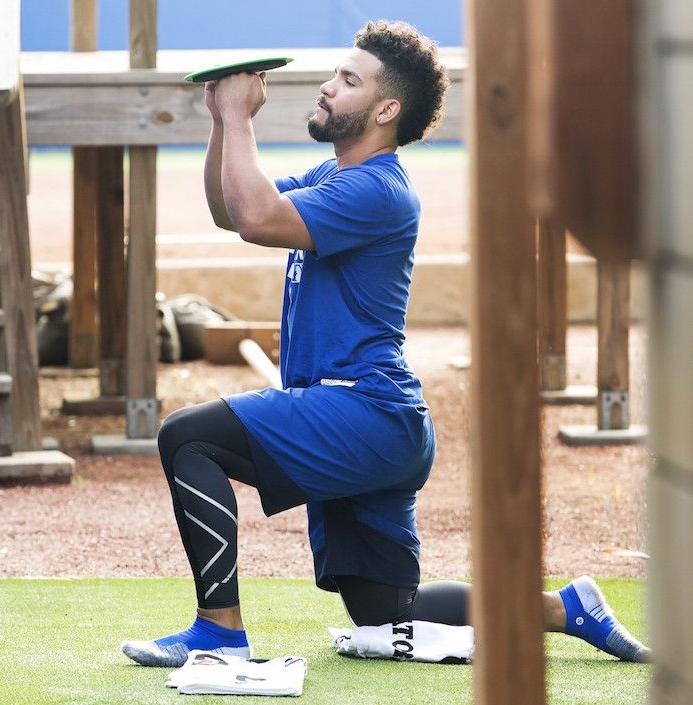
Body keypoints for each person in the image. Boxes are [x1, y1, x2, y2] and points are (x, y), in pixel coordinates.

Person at [121, 20, 650, 667]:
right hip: (380, 423)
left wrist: (240, 115)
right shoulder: (337, 175)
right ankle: (569, 607)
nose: (326, 87)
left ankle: (220, 631)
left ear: (385, 108)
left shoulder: (377, 190)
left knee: (187, 437)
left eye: (347, 81)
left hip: (362, 411)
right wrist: (221, 121)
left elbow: (257, 217)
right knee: (385, 611)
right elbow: (232, 211)